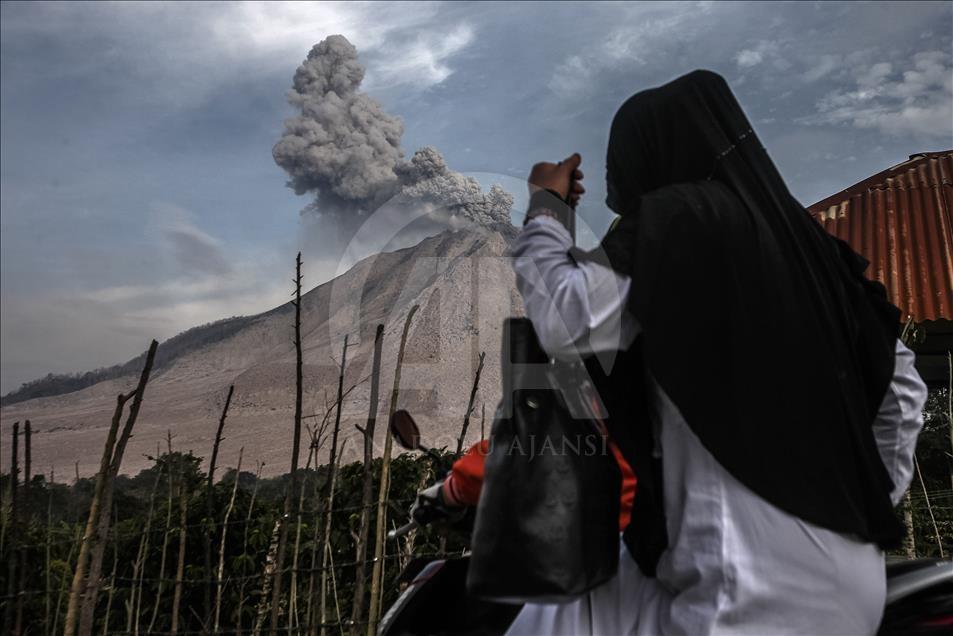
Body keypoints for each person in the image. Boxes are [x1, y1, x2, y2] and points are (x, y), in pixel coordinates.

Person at [501, 70, 927, 635]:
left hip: (745, 588)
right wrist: (844, 507)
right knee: (561, 615)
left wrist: (547, 208)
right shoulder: (818, 256)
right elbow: (902, 392)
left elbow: (566, 317)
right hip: (852, 577)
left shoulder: (681, 219)